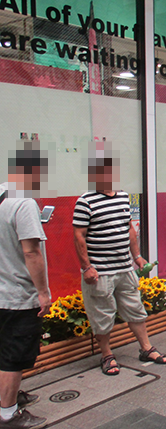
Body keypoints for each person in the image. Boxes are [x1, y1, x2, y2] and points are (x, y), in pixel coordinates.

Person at [73, 142, 166, 375]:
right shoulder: (85, 201)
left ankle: (146, 348)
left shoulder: (123, 197)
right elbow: (78, 236)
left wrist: (137, 256)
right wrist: (86, 267)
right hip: (100, 272)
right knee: (102, 315)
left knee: (135, 309)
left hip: (124, 268)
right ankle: (107, 355)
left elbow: (129, 229)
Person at [0, 142, 52, 429]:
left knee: (3, 350)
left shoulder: (1, 195)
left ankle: (7, 396)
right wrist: (43, 292)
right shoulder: (24, 202)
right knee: (14, 355)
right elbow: (31, 252)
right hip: (17, 295)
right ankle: (8, 414)